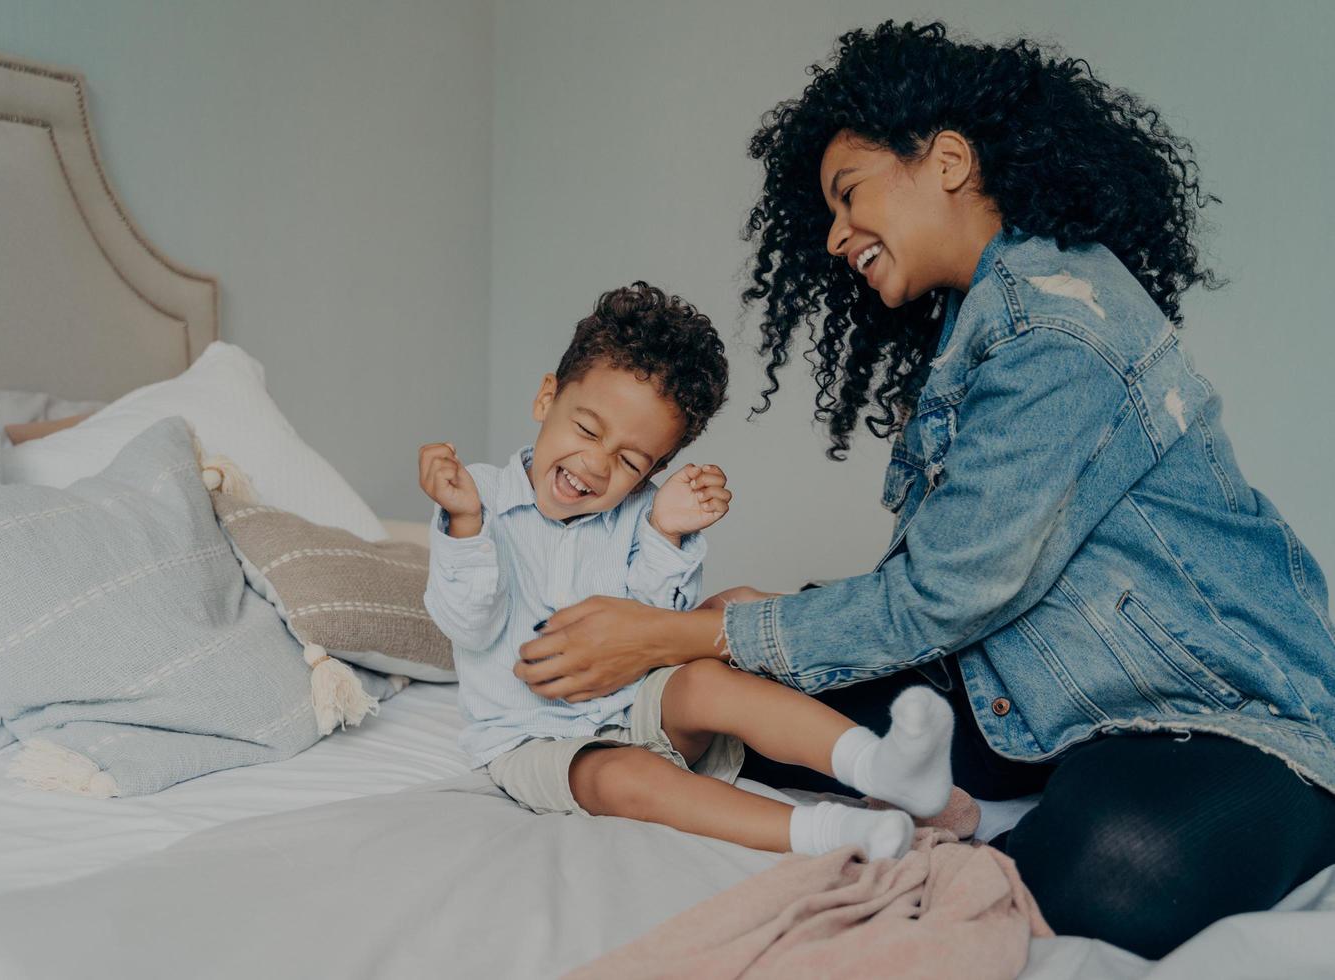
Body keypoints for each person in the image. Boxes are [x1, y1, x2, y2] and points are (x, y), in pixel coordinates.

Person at [509, 23, 1335, 959]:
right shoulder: (979, 319)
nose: (832, 235)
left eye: (848, 193)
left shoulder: (1056, 328)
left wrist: (688, 630)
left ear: (946, 161)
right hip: (1033, 695)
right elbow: (972, 585)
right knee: (741, 689)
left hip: (1216, 705)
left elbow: (945, 596)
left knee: (1120, 865)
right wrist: (754, 634)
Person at [420, 282, 956, 859]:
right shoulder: (479, 501)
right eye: (586, 429)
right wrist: (467, 523)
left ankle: (880, 766)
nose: (596, 465)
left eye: (630, 460)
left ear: (656, 466)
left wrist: (664, 531)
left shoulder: (635, 515)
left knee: (708, 681)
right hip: (533, 739)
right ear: (546, 399)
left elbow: (657, 632)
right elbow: (470, 625)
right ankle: (832, 833)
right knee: (622, 778)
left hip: (640, 704)